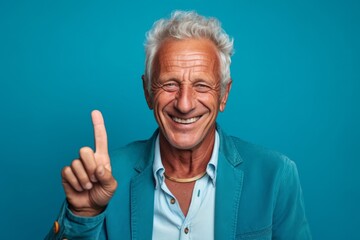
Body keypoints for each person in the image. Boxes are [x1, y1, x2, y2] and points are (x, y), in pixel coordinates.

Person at [46, 10, 311, 240]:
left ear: (224, 95)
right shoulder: (105, 177)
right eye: (170, 84)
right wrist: (83, 216)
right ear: (148, 92)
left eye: (202, 85)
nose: (184, 104)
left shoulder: (276, 176)